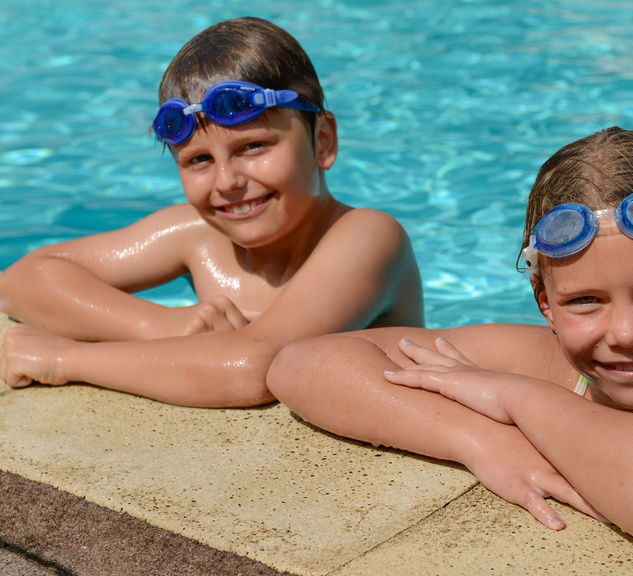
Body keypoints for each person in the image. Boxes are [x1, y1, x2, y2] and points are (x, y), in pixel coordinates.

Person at [266, 127, 633, 552]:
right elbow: (299, 363)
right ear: (545, 304)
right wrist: (483, 440)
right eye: (585, 301)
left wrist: (512, 395)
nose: (627, 334)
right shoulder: (537, 358)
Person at [0, 17, 423, 407]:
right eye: (199, 160)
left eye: (253, 146)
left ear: (324, 141)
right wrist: (159, 327)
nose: (226, 182)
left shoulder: (367, 236)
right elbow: (21, 281)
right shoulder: (201, 236)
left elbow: (255, 369)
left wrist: (69, 359)